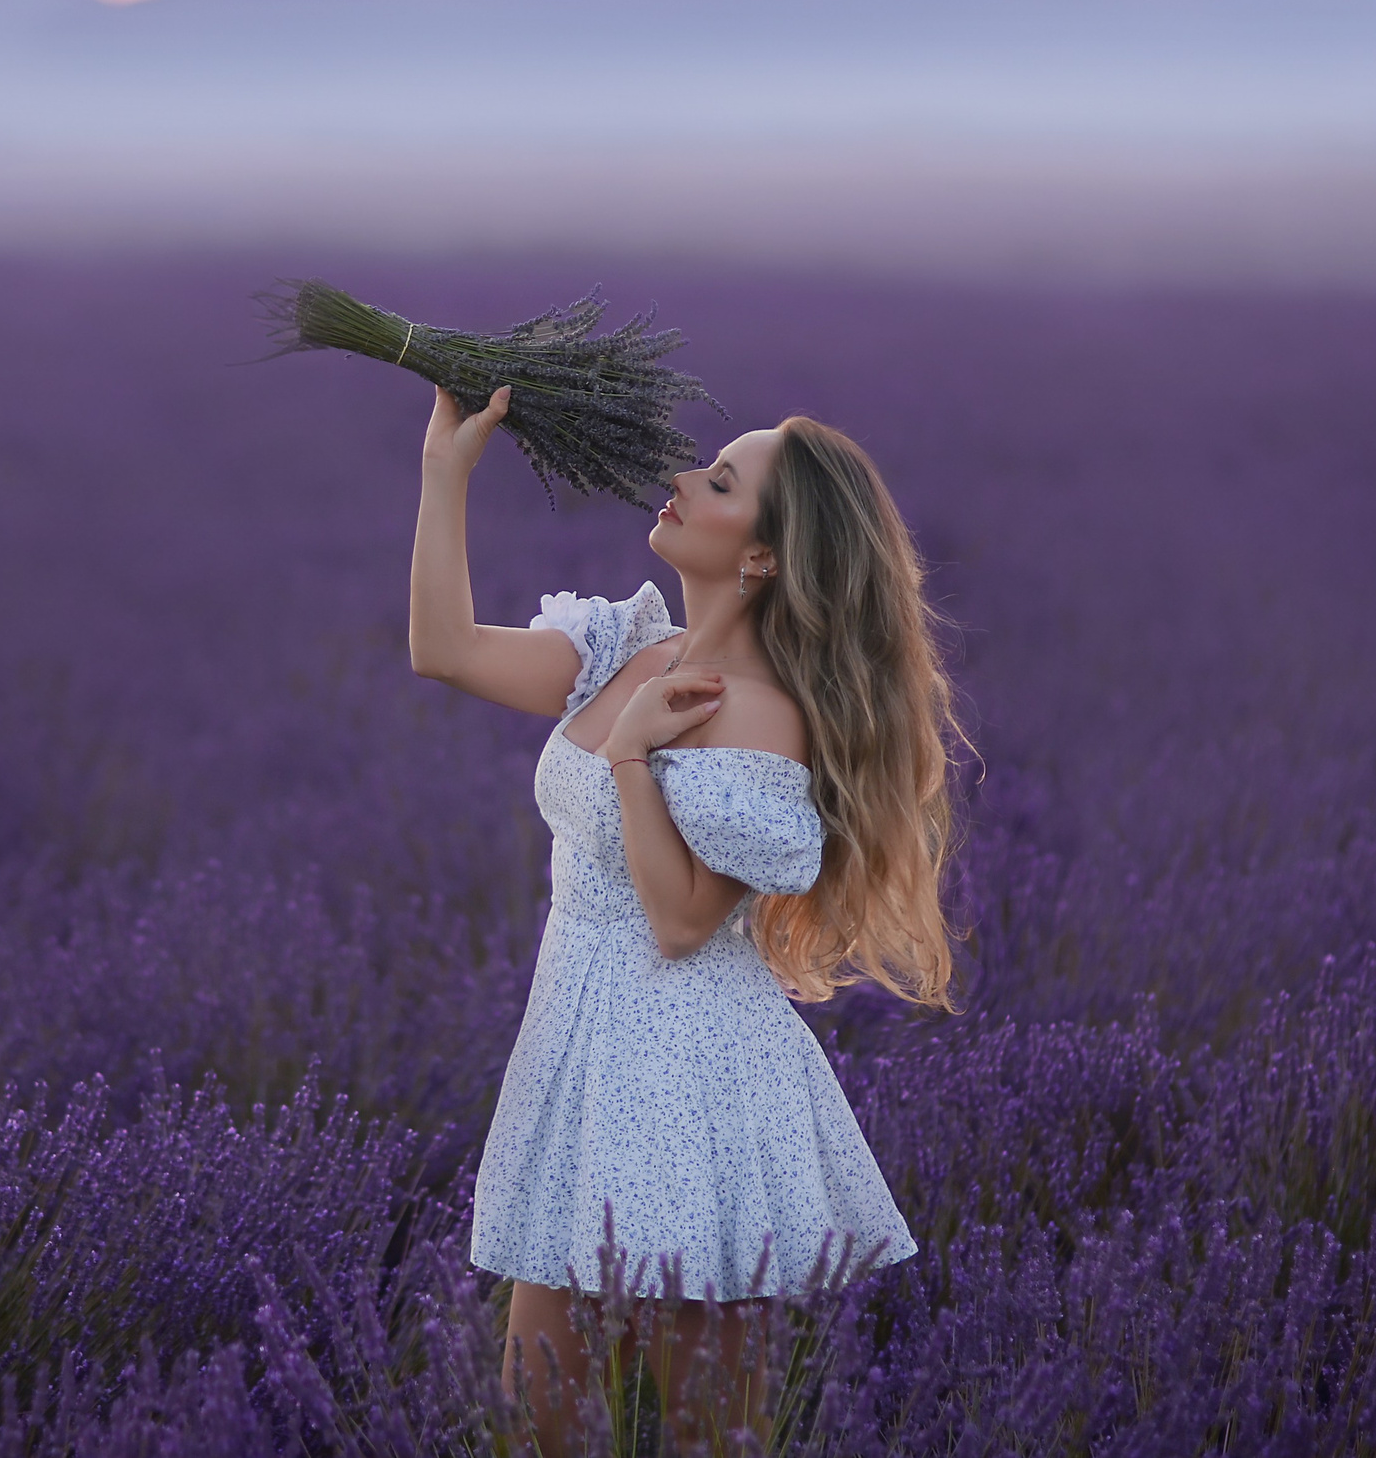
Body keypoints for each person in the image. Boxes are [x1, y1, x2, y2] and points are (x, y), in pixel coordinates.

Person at [407, 382, 961, 1447]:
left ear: (761, 555)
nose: (677, 479)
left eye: (715, 481)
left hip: (686, 1084)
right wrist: (447, 469)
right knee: (535, 1420)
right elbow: (445, 649)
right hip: (580, 1057)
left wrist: (627, 757)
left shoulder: (752, 713)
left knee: (712, 1432)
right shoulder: (633, 649)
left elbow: (678, 922)